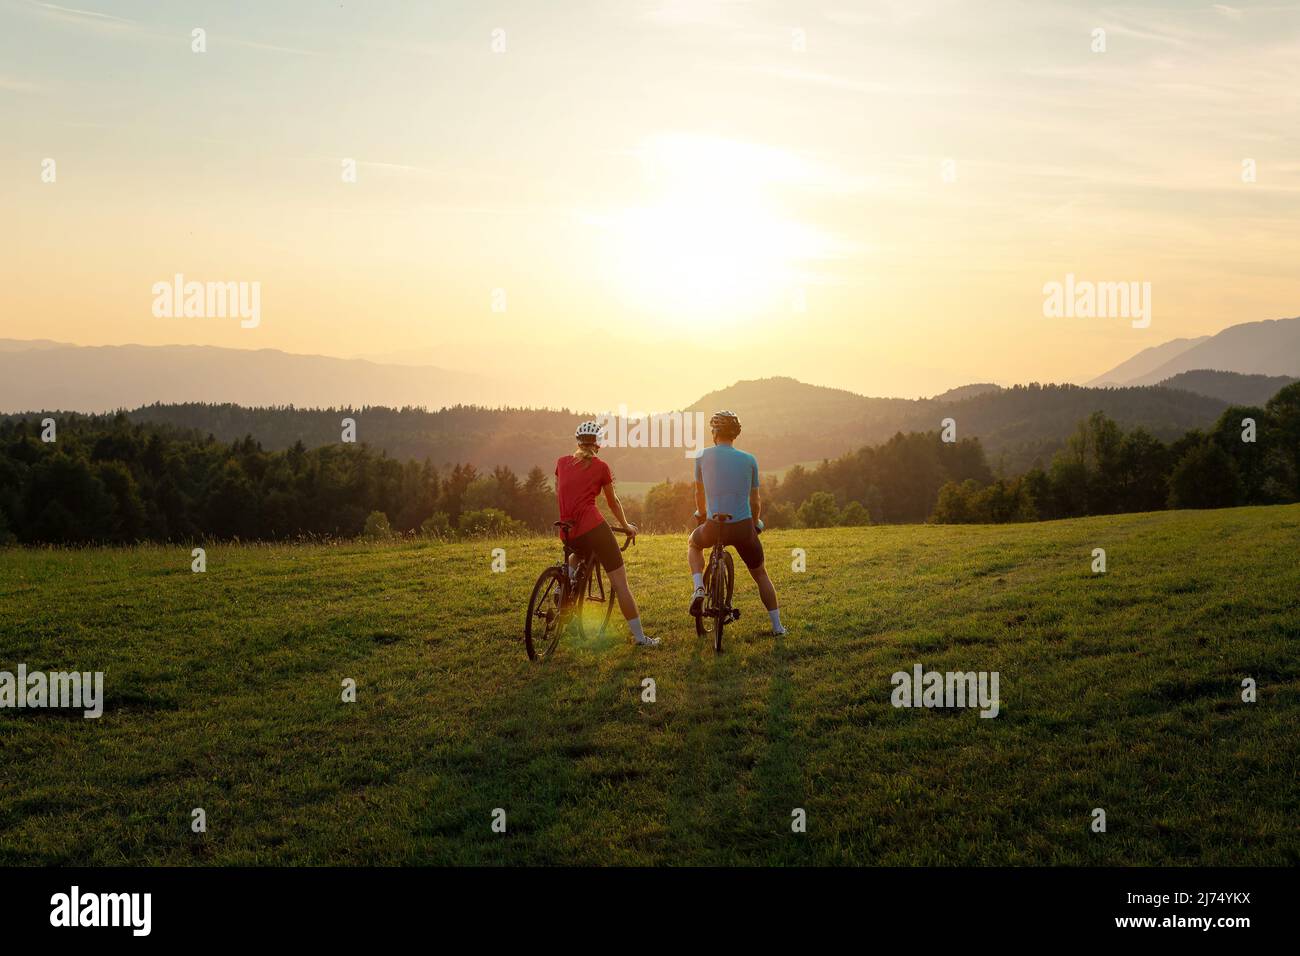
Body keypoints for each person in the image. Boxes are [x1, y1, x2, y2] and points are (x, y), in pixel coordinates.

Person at [555, 420, 659, 647]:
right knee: (621, 584)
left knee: (579, 552)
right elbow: (612, 503)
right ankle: (641, 638)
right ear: (598, 444)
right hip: (594, 528)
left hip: (567, 530)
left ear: (578, 441)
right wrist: (627, 526)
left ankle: (562, 582)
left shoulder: (562, 463)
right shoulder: (601, 467)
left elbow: (561, 491)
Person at [687, 410, 787, 636]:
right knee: (760, 574)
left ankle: (699, 588)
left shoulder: (701, 456)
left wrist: (702, 514)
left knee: (694, 545)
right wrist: (755, 522)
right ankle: (778, 627)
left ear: (714, 432)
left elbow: (698, 493)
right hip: (743, 527)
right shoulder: (749, 459)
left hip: (714, 525)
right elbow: (755, 500)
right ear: (735, 434)